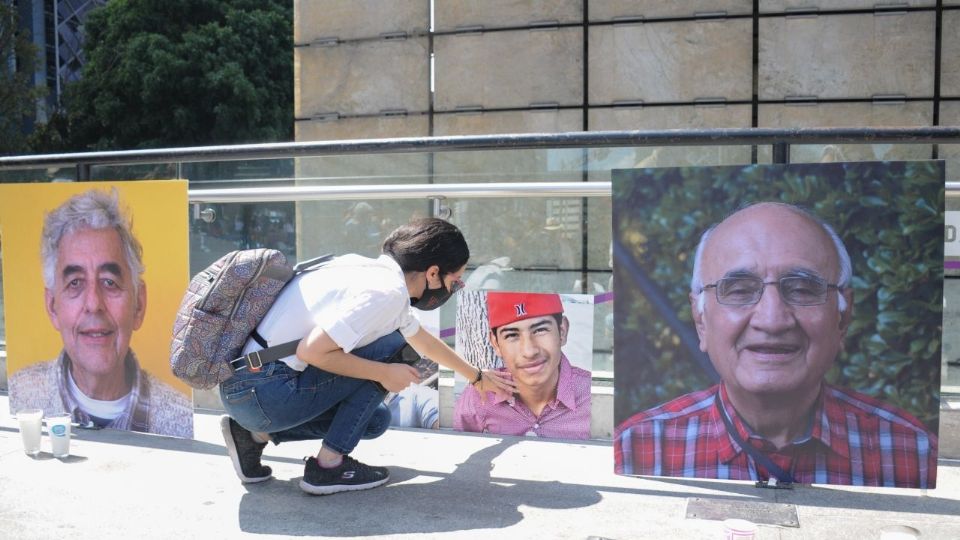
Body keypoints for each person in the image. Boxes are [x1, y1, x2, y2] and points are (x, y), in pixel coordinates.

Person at [614, 202, 938, 488]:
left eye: (801, 288)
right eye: (739, 290)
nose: (772, 320)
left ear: (843, 317)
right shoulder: (634, 449)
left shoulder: (914, 453)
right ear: (701, 321)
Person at [219, 217, 516, 495]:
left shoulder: (364, 270)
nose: (454, 288)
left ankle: (253, 436)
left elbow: (424, 342)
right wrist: (384, 373)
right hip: (265, 391)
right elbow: (311, 351)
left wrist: (476, 378)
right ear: (433, 272)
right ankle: (328, 467)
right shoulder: (386, 293)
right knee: (391, 349)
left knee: (375, 420)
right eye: (457, 281)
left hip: (246, 389)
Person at [9, 189, 193, 438]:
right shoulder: (20, 398)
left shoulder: (180, 419)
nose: (94, 304)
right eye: (75, 283)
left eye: (109, 282)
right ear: (53, 307)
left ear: (138, 304)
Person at [454, 292, 592, 439]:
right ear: (496, 344)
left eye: (540, 330)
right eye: (512, 335)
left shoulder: (590, 395)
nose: (529, 351)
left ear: (562, 332)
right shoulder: (480, 395)